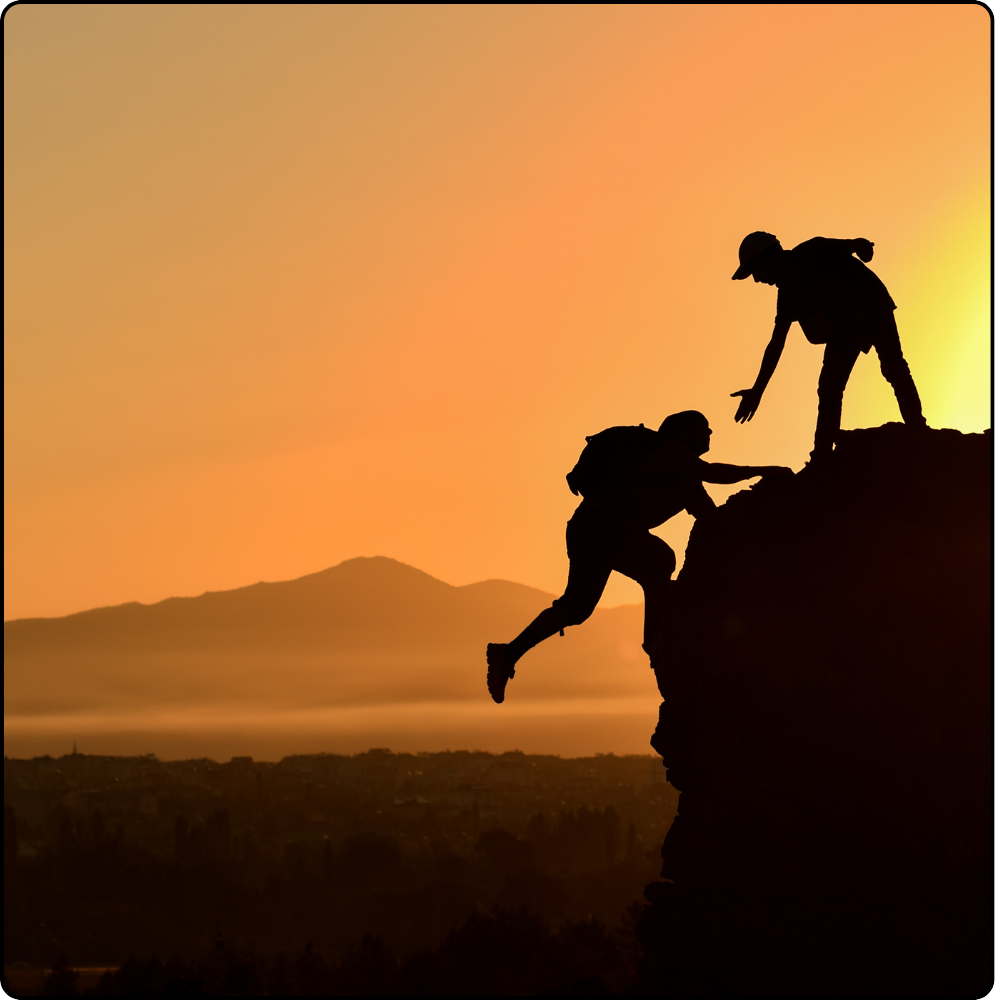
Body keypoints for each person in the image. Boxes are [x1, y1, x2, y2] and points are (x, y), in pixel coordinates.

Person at [485, 410, 790, 703]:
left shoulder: (686, 479)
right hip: (599, 527)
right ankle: (654, 642)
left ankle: (508, 653)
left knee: (579, 607)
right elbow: (712, 472)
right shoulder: (673, 450)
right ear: (682, 431)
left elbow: (710, 519)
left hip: (591, 529)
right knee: (658, 562)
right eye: (702, 427)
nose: (709, 433)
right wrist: (764, 472)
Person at [730, 232, 926, 458]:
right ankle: (822, 453)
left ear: (767, 258)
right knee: (829, 386)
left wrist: (864, 249)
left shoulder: (811, 252)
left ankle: (917, 428)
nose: (756, 279)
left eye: (755, 271)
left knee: (893, 366)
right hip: (845, 327)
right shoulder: (787, 295)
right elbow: (776, 343)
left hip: (872, 306)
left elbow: (855, 244)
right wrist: (757, 391)